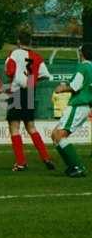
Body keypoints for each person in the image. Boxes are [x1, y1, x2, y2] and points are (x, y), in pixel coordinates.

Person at [5, 29, 55, 171]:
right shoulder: (37, 56)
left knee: (14, 127)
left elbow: (9, 71)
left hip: (17, 93)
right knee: (31, 126)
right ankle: (46, 157)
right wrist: (32, 80)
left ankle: (21, 162)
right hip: (30, 93)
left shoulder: (15, 53)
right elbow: (46, 75)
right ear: (30, 41)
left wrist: (16, 81)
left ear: (18, 41)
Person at [51, 45, 92, 178]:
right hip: (84, 106)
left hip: (77, 105)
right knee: (54, 135)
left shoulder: (83, 67)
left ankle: (78, 167)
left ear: (82, 54)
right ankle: (72, 166)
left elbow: (75, 86)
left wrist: (62, 88)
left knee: (59, 136)